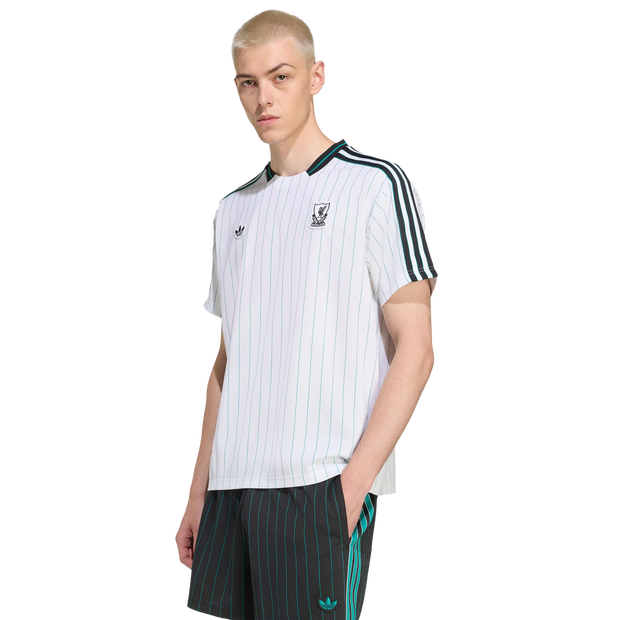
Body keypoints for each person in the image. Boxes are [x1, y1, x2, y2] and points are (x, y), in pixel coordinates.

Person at [174, 8, 440, 620]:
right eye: (248, 82)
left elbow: (418, 348)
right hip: (233, 490)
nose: (263, 98)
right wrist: (198, 493)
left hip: (320, 484)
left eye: (281, 77)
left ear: (317, 76)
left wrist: (350, 491)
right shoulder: (231, 211)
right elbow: (226, 364)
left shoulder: (376, 185)